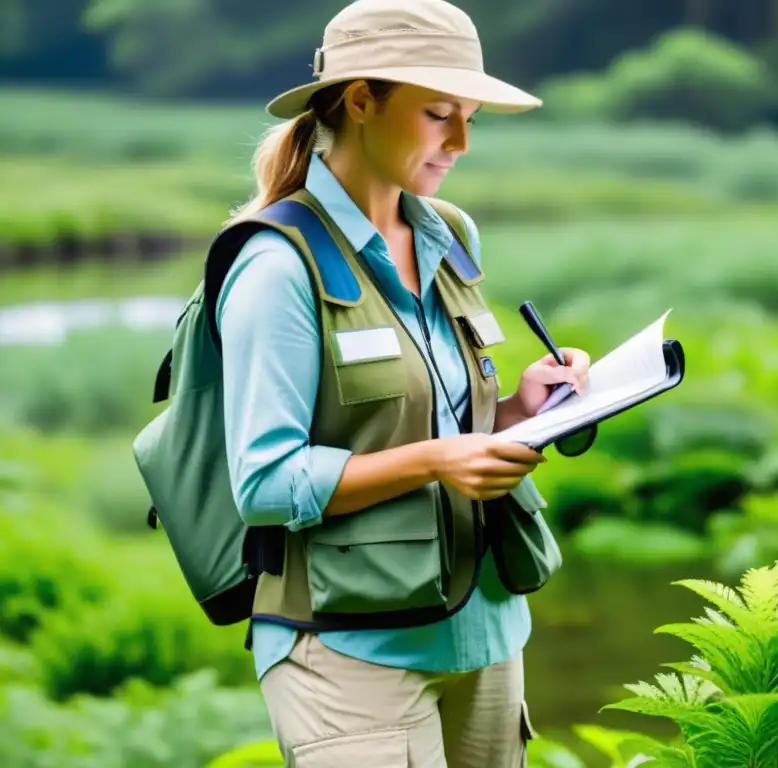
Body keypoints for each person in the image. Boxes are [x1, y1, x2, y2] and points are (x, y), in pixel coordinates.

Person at [213, 0, 591, 765]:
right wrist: (435, 460)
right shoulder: (276, 266)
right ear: (360, 101)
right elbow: (264, 481)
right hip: (350, 653)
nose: (459, 142)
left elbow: (448, 415)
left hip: (485, 631)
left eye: (470, 119)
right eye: (438, 114)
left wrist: (526, 406)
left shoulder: (450, 235)